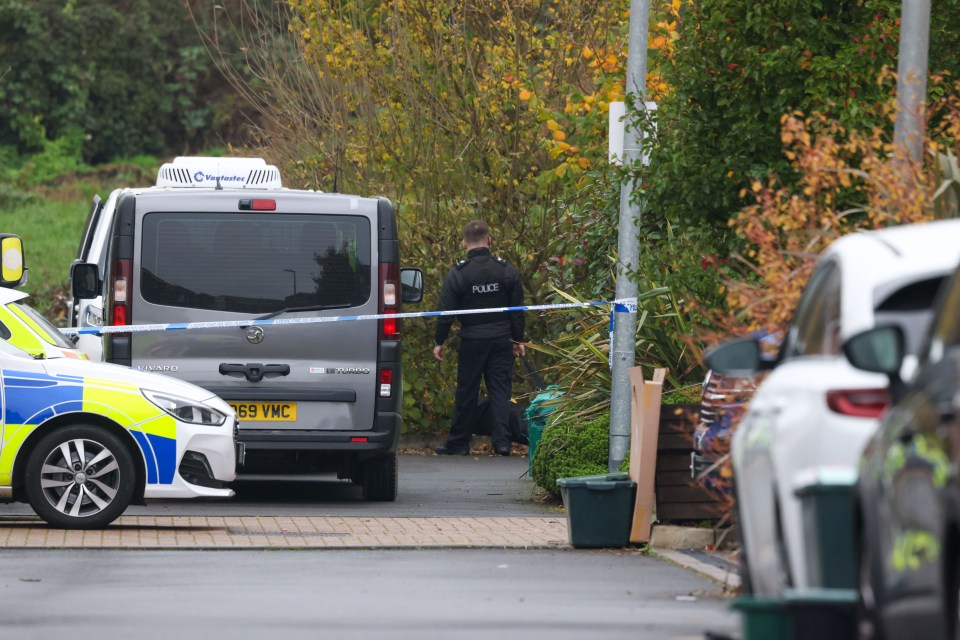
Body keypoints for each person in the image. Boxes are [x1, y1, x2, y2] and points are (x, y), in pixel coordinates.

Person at [433, 220, 525, 456]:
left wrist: (439, 341)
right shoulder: (505, 270)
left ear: (464, 243)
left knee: (467, 391)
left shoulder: (459, 273)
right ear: (490, 240)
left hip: (472, 342)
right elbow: (517, 311)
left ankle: (459, 444)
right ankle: (502, 443)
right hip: (501, 340)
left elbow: (446, 312)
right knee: (501, 392)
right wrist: (518, 340)